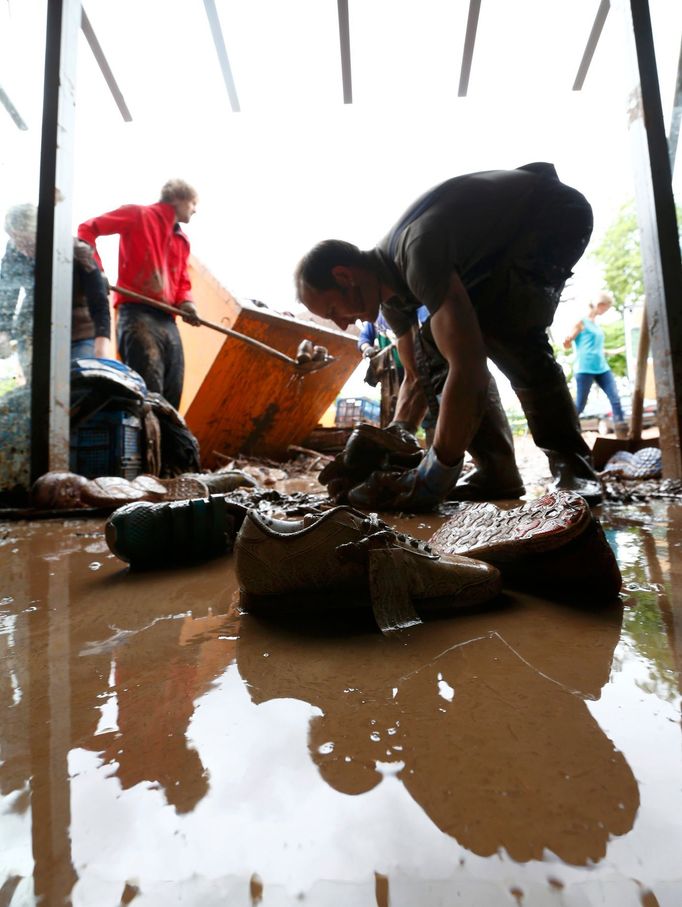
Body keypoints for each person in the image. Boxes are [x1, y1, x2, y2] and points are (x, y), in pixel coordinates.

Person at [295, 162, 602, 510]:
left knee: (503, 327)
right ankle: (496, 472)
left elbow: (468, 364)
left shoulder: (416, 250)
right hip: (501, 247)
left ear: (344, 276)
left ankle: (574, 467)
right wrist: (398, 434)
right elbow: (416, 374)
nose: (339, 325)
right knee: (433, 349)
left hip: (553, 212)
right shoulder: (393, 301)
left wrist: (436, 471)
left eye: (333, 311)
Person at [78, 179, 201, 410]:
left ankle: (165, 445)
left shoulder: (182, 240)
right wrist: (96, 270)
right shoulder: (137, 214)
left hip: (167, 319)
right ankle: (143, 445)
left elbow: (182, 279)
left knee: (172, 395)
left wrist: (187, 303)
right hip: (136, 312)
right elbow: (87, 229)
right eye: (193, 202)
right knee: (149, 395)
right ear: (176, 198)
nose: (195, 209)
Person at [0, 205, 112, 373]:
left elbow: (99, 303)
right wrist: (4, 331)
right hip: (36, 331)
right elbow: (8, 296)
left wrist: (101, 349)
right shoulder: (14, 251)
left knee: (77, 383)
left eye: (28, 242)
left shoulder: (77, 251)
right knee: (37, 389)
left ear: (44, 233)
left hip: (79, 332)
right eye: (17, 242)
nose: (23, 249)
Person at [563, 292, 626, 436]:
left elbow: (594, 347)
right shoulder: (581, 322)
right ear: (600, 305)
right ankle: (567, 431)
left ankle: (622, 434)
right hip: (585, 368)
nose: (606, 311)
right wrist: (566, 341)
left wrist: (613, 351)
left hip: (602, 367)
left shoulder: (596, 325)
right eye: (607, 308)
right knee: (580, 404)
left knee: (615, 398)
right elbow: (568, 343)